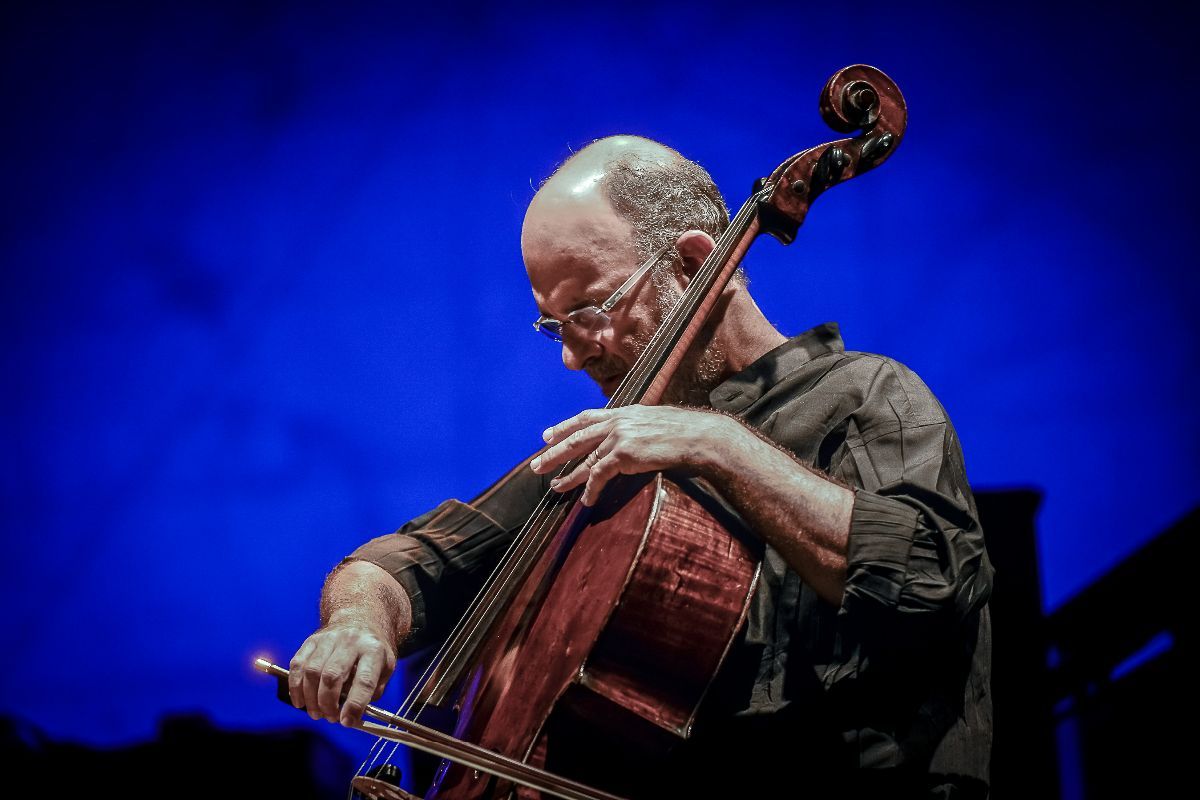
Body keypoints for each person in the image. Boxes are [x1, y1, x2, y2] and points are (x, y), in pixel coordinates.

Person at [288, 136, 993, 799]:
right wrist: (359, 621)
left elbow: (929, 582)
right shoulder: (610, 451)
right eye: (554, 326)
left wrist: (720, 444)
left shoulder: (867, 396)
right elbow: (417, 559)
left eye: (590, 310)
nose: (573, 355)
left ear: (692, 263)